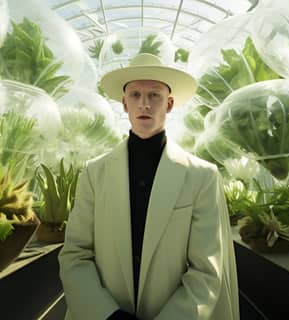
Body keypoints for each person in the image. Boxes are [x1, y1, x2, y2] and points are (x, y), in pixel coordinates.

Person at [58, 53, 240, 320]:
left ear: (168, 104)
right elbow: (75, 254)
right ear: (124, 104)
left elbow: (206, 270)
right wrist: (107, 316)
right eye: (135, 95)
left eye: (154, 95)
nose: (144, 104)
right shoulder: (94, 173)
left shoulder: (203, 176)